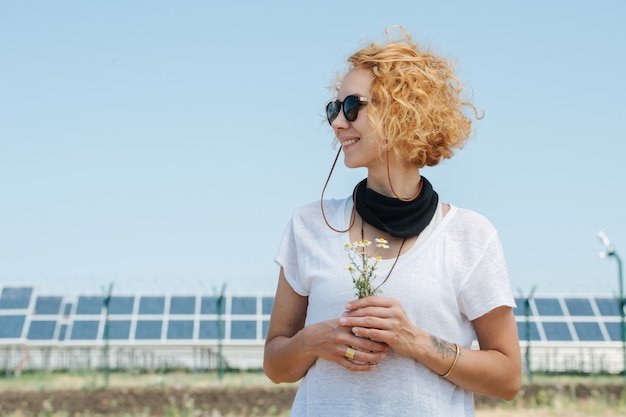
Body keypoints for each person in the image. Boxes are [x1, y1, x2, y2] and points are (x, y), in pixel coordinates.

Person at [263, 26, 521, 416]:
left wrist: (415, 341)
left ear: (402, 112)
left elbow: (507, 379)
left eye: (352, 107)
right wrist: (311, 342)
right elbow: (275, 364)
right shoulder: (308, 224)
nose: (337, 123)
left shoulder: (470, 235)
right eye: (334, 109)